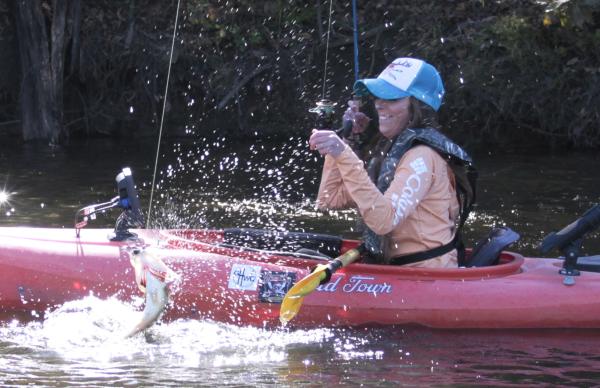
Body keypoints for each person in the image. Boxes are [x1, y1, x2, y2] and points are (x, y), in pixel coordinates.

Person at [309, 57, 476, 268]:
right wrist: (346, 141)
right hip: (396, 270)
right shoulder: (390, 151)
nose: (379, 104)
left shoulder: (422, 156)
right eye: (379, 96)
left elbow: (383, 222)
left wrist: (344, 154)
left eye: (392, 98)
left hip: (426, 277)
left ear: (418, 106)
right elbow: (329, 199)